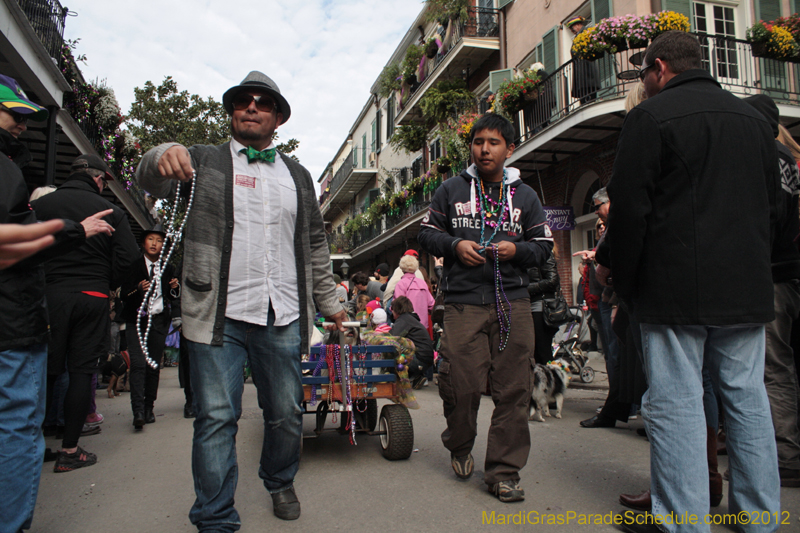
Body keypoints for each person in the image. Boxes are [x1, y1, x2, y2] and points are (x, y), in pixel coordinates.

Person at [136, 71, 345, 528]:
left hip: (283, 313)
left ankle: (278, 478)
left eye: (263, 102)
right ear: (232, 111)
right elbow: (149, 180)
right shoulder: (201, 161)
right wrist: (160, 155)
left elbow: (314, 242)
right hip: (217, 314)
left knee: (287, 413)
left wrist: (330, 303)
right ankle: (214, 516)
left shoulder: (298, 176)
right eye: (243, 101)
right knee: (215, 417)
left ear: (277, 118)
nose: (252, 107)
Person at [607, 31, 780, 532]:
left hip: (675, 288)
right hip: (745, 289)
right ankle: (759, 517)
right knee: (747, 400)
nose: (644, 81)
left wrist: (629, 284)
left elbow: (630, 212)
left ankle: (684, 521)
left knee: (677, 402)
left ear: (660, 67)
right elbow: (771, 208)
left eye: (644, 72)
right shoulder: (753, 120)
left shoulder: (651, 117)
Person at [0, 74, 117, 531]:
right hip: (18, 317)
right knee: (21, 415)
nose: (23, 127)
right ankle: (68, 449)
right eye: (16, 115)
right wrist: (76, 232)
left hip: (46, 300)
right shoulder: (8, 172)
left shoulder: (36, 194)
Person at [418, 113, 553, 502]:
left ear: (509, 149)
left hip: (513, 302)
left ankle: (503, 472)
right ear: (472, 147)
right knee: (460, 386)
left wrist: (516, 250)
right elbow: (427, 234)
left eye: (494, 142)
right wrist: (454, 246)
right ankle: (459, 444)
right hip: (462, 304)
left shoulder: (525, 196)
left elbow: (543, 247)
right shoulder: (450, 190)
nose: (485, 149)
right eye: (479, 142)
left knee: (514, 389)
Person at [32, 153, 139, 474]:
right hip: (91, 295)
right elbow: (131, 259)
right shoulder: (112, 211)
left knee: (41, 370)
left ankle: (28, 446)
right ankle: (70, 450)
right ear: (98, 178)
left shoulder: (40, 207)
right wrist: (107, 281)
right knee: (81, 372)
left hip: (47, 296)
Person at [743, 95, 800, 488]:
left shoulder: (763, 153)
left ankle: (784, 453)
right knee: (778, 366)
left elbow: (764, 217)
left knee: (770, 368)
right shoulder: (787, 158)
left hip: (772, 274)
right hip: (788, 272)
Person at [120, 224, 180, 429]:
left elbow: (173, 297)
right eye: (150, 239)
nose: (154, 244)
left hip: (158, 322)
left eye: (159, 240)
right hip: (136, 321)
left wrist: (175, 288)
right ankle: (137, 411)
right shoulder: (133, 266)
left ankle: (148, 407)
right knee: (137, 365)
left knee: (153, 367)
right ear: (143, 242)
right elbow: (123, 295)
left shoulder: (168, 268)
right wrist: (137, 289)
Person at [390, 296, 434, 389]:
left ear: (396, 310)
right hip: (426, 358)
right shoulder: (411, 319)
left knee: (391, 354)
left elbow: (392, 339)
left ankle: (402, 378)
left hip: (419, 358)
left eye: (392, 309)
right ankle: (416, 376)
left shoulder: (403, 320)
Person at [527, 246, 560, 365]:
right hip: (529, 305)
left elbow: (552, 281)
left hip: (541, 307)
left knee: (542, 351)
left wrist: (526, 289)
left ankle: (550, 381)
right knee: (534, 351)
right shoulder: (525, 254)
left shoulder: (544, 253)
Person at [393, 254, 435, 330]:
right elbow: (431, 304)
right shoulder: (422, 283)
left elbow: (398, 305)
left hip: (407, 324)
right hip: (422, 325)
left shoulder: (401, 284)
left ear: (402, 267)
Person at [566, 16, 600, 105]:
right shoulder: (578, 35)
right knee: (584, 98)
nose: (572, 31)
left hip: (587, 71)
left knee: (590, 97)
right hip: (581, 73)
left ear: (577, 25)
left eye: (572, 28)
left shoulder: (586, 32)